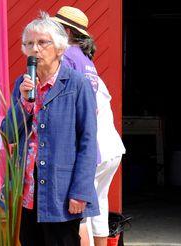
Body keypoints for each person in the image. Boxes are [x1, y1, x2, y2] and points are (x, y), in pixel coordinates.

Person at [0, 12, 99, 246]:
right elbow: (8, 133)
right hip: (27, 191)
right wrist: (24, 102)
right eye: (29, 43)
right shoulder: (22, 84)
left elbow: (88, 141)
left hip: (61, 192)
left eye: (43, 42)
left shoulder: (77, 85)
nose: (35, 49)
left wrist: (81, 191)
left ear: (60, 48)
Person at [52, 6, 126, 246]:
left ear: (65, 31)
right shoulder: (86, 61)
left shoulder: (65, 59)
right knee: (99, 207)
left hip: (90, 148)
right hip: (110, 148)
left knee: (80, 214)